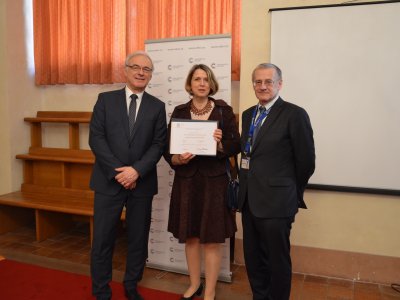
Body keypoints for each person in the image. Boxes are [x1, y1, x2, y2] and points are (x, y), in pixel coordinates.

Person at [89, 51, 167, 300]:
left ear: (151, 75)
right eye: (136, 67)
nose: (141, 72)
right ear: (125, 70)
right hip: (108, 181)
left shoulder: (157, 106)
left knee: (137, 239)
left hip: (141, 183)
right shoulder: (105, 100)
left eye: (147, 69)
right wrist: (119, 172)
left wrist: (136, 171)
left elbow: (158, 144)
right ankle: (101, 289)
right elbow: (96, 138)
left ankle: (131, 285)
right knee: (102, 239)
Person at [238, 63, 315, 300]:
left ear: (279, 84)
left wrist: (290, 192)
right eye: (258, 82)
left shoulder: (295, 114)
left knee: (276, 260)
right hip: (249, 200)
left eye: (268, 81)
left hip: (278, 203)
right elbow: (249, 153)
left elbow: (306, 162)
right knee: (253, 257)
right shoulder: (248, 114)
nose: (263, 86)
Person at [163, 64, 240, 300]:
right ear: (190, 84)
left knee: (211, 239)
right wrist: (176, 158)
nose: (202, 83)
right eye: (197, 79)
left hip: (214, 183)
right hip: (187, 182)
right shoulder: (179, 111)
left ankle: (210, 289)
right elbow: (168, 149)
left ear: (211, 83)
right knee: (191, 237)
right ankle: (194, 284)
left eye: (206, 79)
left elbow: (236, 145)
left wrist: (219, 144)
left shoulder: (223, 111)